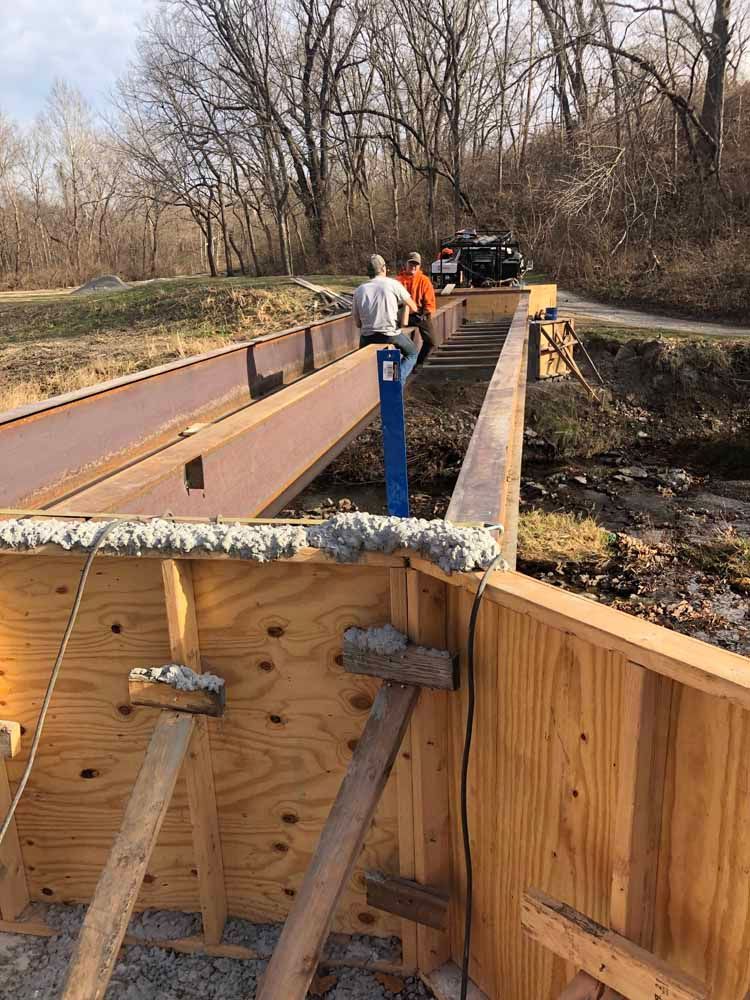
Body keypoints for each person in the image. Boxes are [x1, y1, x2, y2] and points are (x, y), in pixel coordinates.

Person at [352, 254, 420, 379]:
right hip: (390, 334)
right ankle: (398, 379)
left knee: (364, 360)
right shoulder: (393, 284)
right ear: (383, 268)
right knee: (412, 354)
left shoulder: (359, 290)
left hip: (367, 337)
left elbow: (358, 324)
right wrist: (403, 311)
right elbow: (414, 307)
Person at [396, 251, 437, 365]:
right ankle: (403, 362)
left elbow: (430, 302)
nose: (413, 266)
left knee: (431, 341)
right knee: (395, 340)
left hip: (419, 315)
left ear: (419, 266)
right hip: (401, 314)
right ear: (406, 264)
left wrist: (425, 313)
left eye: (416, 264)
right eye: (411, 263)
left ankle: (418, 364)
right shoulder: (398, 281)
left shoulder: (424, 280)